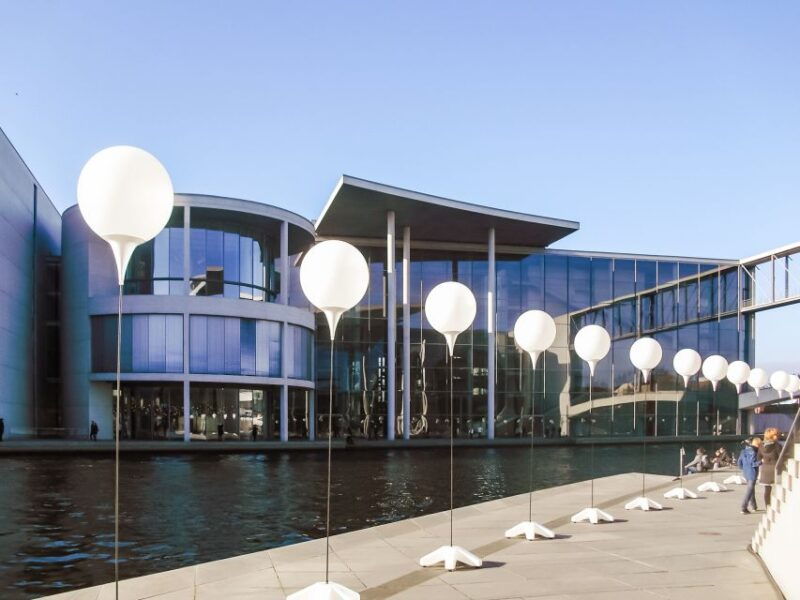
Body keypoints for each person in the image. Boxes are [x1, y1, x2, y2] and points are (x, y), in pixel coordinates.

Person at [758, 428, 782, 507]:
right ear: (773, 436)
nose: (778, 436)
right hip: (775, 470)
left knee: (767, 490)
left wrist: (764, 460)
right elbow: (782, 457)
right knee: (778, 490)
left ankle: (767, 507)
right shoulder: (777, 446)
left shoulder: (761, 446)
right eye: (776, 435)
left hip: (765, 470)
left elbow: (758, 458)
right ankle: (777, 506)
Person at [737, 437, 761, 514]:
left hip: (746, 472)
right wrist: (761, 462)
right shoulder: (754, 452)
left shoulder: (743, 451)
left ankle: (754, 506)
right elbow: (753, 463)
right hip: (752, 473)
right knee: (750, 490)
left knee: (751, 489)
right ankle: (743, 507)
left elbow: (739, 463)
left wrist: (744, 468)